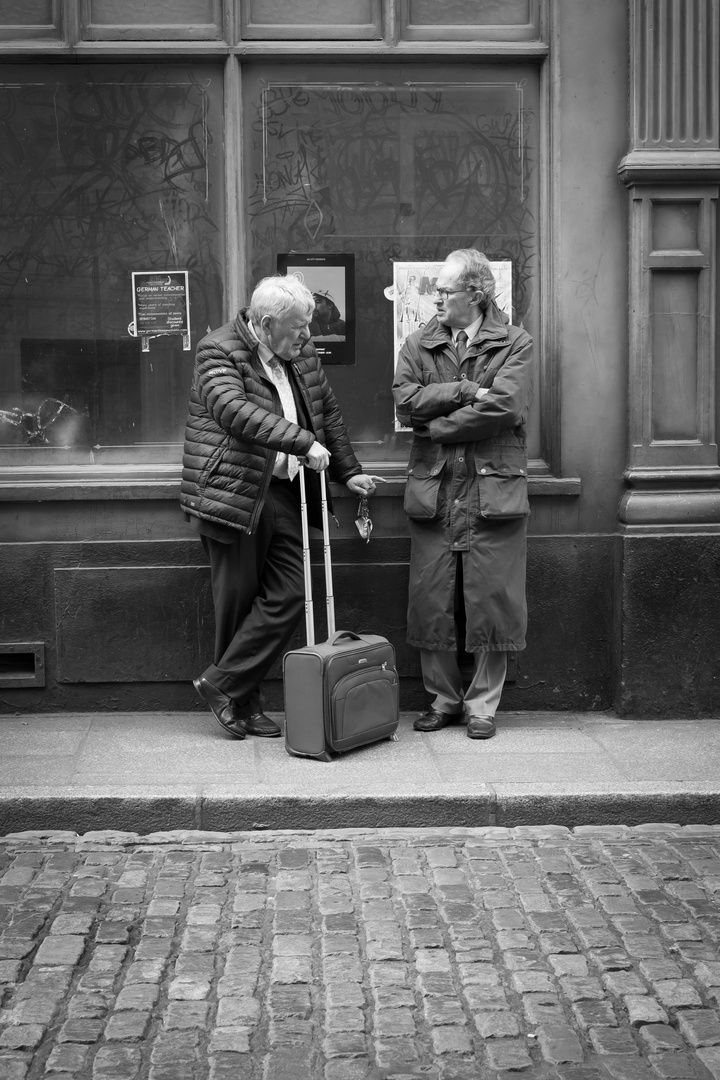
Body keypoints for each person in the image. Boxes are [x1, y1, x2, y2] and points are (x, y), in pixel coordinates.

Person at [181, 275, 379, 739]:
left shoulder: (300, 352)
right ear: (265, 324)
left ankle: (221, 685)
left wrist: (347, 471)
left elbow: (325, 410)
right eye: (297, 328)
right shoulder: (218, 351)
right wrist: (303, 442)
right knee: (237, 603)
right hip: (232, 492)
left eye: (308, 326)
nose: (307, 336)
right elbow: (234, 412)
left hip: (286, 491)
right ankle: (241, 706)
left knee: (291, 594)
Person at [392, 249, 533, 740]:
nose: (435, 299)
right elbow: (406, 402)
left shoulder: (515, 343)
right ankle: (444, 699)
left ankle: (483, 706)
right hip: (436, 485)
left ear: (474, 294)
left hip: (492, 486)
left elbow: (507, 406)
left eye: (444, 291)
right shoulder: (418, 342)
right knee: (431, 598)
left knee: (491, 596)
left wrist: (442, 427)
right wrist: (463, 391)